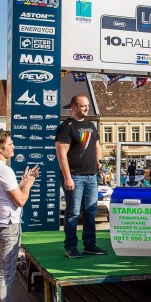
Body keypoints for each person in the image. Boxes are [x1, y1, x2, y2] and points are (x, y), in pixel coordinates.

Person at [0, 131, 40, 302]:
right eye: (10, 144)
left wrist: (22, 182)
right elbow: (20, 200)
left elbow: (7, 194)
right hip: (7, 227)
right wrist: (30, 184)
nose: (13, 146)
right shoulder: (4, 170)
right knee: (4, 275)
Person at [55, 94, 107, 258]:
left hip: (92, 176)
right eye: (83, 106)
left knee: (90, 211)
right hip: (75, 176)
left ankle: (89, 245)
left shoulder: (91, 125)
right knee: (73, 212)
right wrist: (67, 177)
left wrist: (100, 163)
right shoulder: (66, 127)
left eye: (87, 106)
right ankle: (70, 247)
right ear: (74, 107)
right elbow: (61, 155)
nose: (86, 108)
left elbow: (97, 145)